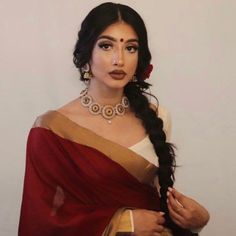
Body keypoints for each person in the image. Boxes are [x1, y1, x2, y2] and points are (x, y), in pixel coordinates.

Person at [18, 2, 209, 236]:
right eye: (106, 46)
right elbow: (41, 219)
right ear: (86, 54)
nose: (119, 59)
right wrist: (124, 222)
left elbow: (158, 205)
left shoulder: (158, 117)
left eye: (130, 48)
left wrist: (195, 220)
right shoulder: (51, 130)